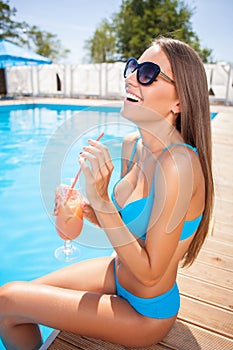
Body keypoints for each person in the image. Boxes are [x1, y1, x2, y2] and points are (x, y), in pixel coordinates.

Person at [0, 36, 213, 349]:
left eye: (147, 73)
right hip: (116, 271)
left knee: (7, 301)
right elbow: (128, 228)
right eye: (132, 67)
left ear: (179, 101)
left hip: (145, 311)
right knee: (10, 306)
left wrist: (101, 199)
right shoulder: (133, 145)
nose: (130, 77)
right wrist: (89, 209)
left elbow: (151, 275)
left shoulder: (179, 164)